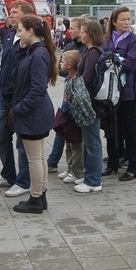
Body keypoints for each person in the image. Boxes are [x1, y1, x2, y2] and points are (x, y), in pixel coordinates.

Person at [10, 15, 57, 214]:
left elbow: (37, 89)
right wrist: (22, 48)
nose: (17, 34)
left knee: (34, 158)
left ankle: (36, 198)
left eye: (20, 30)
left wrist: (18, 109)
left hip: (33, 114)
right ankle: (40, 195)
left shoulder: (39, 54)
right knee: (38, 157)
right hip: (35, 113)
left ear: (30, 31)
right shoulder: (36, 51)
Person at [0, 1, 34, 198]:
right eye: (10, 12)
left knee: (22, 143)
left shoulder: (30, 42)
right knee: (1, 136)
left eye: (15, 12)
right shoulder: (9, 36)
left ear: (25, 16)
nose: (10, 15)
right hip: (4, 96)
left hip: (19, 98)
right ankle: (8, 174)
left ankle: (23, 182)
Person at [102, 7, 136, 182]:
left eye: (129, 19)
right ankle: (112, 163)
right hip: (110, 91)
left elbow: (130, 63)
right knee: (111, 129)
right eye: (123, 19)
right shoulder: (107, 38)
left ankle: (134, 167)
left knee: (131, 129)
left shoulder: (134, 39)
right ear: (114, 21)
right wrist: (115, 58)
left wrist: (113, 59)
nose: (127, 22)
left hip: (127, 92)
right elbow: (102, 59)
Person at [48, 17, 87, 173]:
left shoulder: (86, 49)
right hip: (67, 93)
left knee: (73, 133)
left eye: (73, 28)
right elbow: (61, 67)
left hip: (78, 96)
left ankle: (75, 166)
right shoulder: (70, 45)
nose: (70, 30)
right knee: (61, 126)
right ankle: (55, 161)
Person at [74, 20, 105, 193]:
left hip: (90, 102)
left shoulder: (93, 52)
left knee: (93, 142)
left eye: (84, 32)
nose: (81, 34)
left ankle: (94, 180)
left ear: (91, 34)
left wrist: (74, 86)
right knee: (90, 140)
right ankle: (90, 176)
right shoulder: (91, 50)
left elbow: (86, 79)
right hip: (90, 102)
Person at [55, 51, 84, 184]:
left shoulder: (77, 80)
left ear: (69, 65)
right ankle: (70, 167)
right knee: (69, 143)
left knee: (77, 145)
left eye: (62, 61)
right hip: (67, 115)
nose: (60, 63)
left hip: (74, 116)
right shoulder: (68, 78)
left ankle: (77, 171)